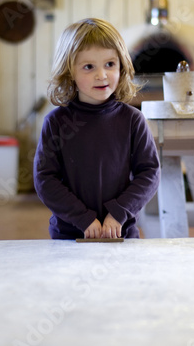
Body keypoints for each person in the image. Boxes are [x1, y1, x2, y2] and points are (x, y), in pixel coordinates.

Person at [33, 18, 160, 240]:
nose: (101, 75)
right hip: (69, 236)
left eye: (109, 64)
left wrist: (118, 213)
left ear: (121, 65)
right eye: (89, 67)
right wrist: (82, 218)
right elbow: (45, 179)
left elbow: (149, 173)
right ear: (69, 71)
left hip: (122, 233)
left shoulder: (133, 120)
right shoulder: (56, 123)